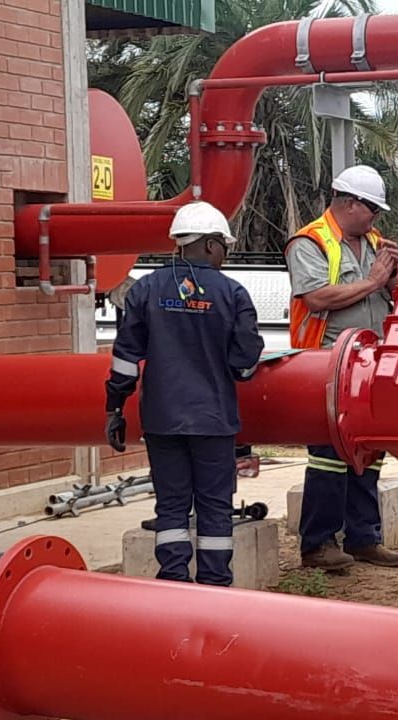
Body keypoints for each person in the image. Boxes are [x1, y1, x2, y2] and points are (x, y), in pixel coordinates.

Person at [105, 200, 264, 586]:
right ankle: (214, 587)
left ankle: (174, 582)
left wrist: (114, 408)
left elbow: (125, 358)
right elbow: (244, 362)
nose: (225, 254)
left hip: (162, 419)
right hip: (213, 420)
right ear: (210, 244)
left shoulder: (144, 290)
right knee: (214, 507)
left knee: (172, 506)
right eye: (224, 246)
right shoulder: (232, 293)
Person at [286, 164, 398, 571]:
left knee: (370, 450)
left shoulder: (372, 241)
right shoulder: (310, 242)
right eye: (371, 208)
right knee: (329, 455)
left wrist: (394, 279)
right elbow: (317, 297)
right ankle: (318, 544)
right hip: (328, 363)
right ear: (349, 203)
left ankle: (363, 537)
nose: (376, 217)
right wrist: (373, 282)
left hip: (370, 362)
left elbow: (389, 290)